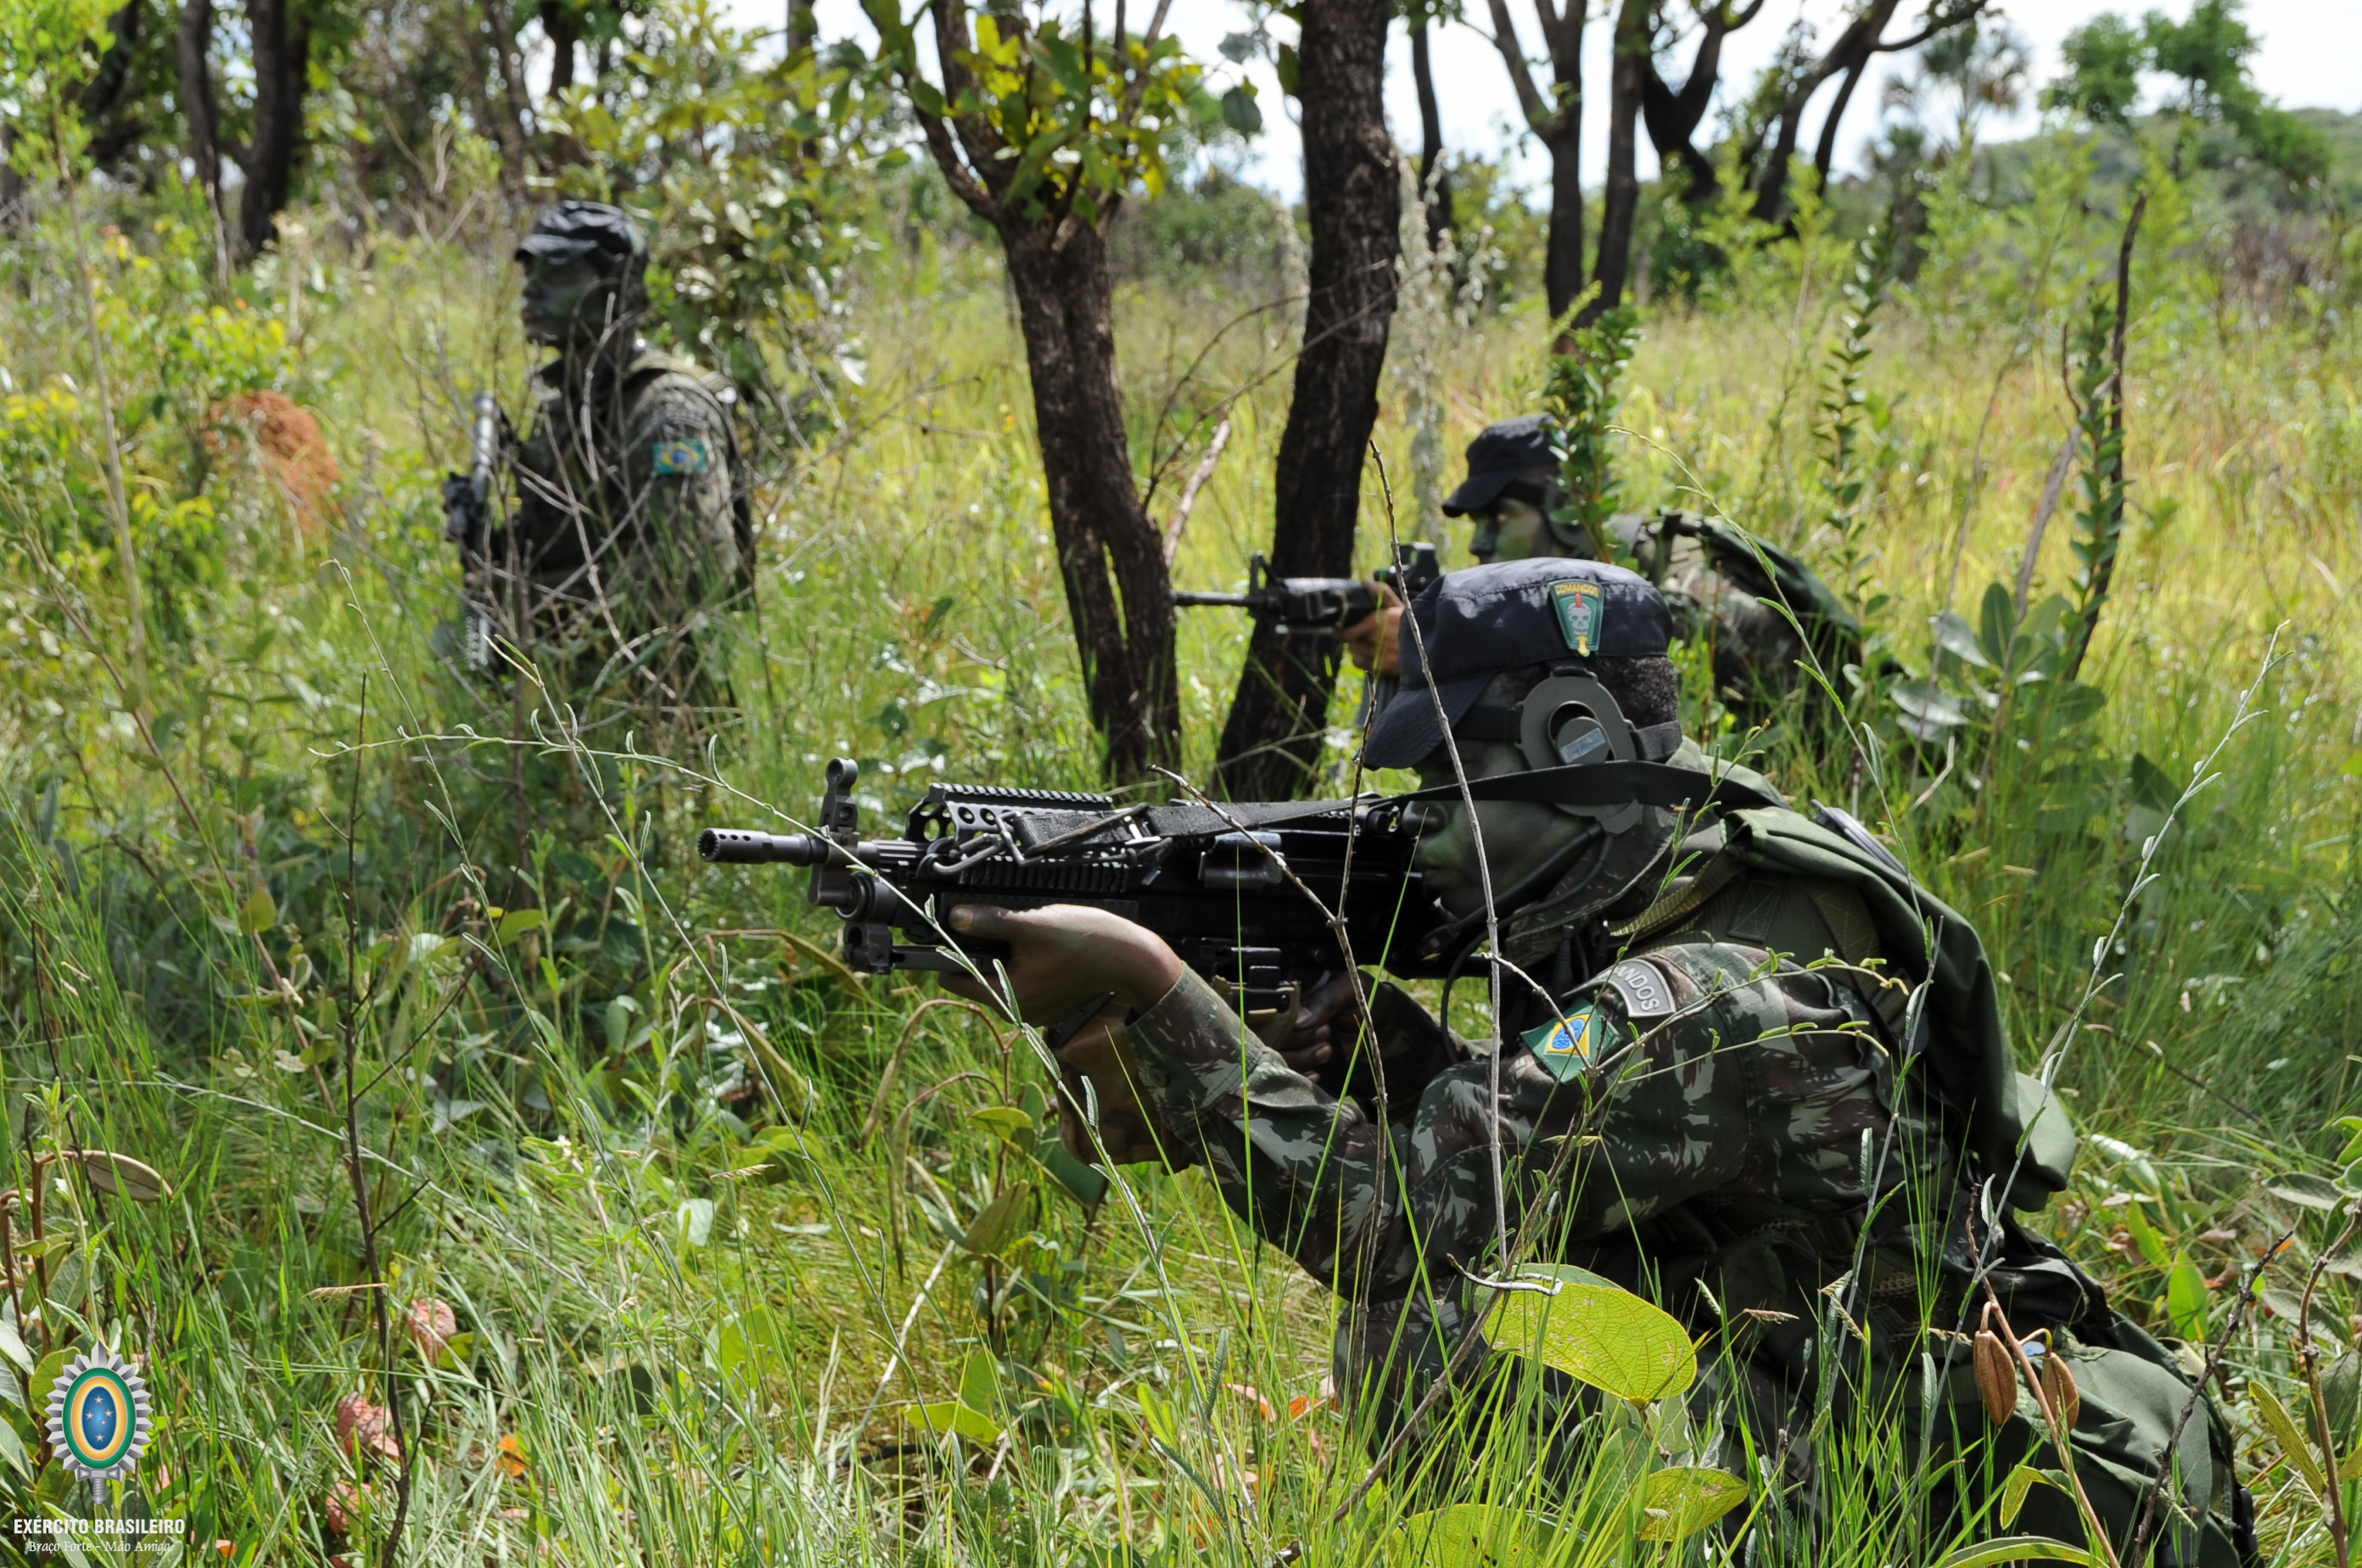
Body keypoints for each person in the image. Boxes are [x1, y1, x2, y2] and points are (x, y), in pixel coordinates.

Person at [945, 557, 2255, 1563]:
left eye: (1444, 788)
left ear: (1577, 746)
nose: (1423, 835)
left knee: (1427, 1333)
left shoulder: (1708, 985)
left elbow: (1384, 1225)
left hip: (1902, 1463)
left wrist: (1155, 988)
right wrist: (1406, 1056)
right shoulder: (1706, 862)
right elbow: (1644, 1150)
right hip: (1824, 1359)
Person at [439, 199, 753, 732]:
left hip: (654, 711)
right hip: (569, 698)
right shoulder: (572, 401)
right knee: (455, 643)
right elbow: (570, 532)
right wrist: (493, 550)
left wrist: (532, 612)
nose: (532, 290)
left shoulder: (668, 412)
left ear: (615, 289)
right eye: (531, 272)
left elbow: (691, 565)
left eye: (558, 273)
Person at [1342, 416, 1857, 722]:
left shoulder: (1686, 590)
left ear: (1567, 511)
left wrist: (1446, 644)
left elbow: (1648, 651)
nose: (1478, 543)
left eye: (1500, 516)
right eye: (1477, 522)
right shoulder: (1570, 588)